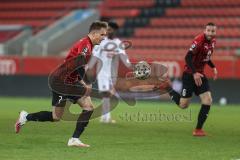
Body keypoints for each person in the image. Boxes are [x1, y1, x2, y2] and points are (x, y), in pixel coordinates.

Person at [15, 21, 108, 147]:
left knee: (88, 107)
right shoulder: (85, 44)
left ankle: (74, 139)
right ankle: (26, 117)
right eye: (102, 35)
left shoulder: (89, 45)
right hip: (60, 82)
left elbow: (76, 65)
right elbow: (79, 62)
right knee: (56, 117)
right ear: (94, 33)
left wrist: (81, 81)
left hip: (70, 81)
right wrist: (86, 82)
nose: (104, 38)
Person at [167, 22, 218, 136]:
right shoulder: (198, 41)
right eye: (208, 30)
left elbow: (206, 57)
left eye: (213, 31)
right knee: (183, 105)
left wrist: (213, 67)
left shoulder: (213, 42)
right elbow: (187, 57)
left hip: (200, 75)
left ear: (215, 32)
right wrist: (194, 73)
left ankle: (198, 130)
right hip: (190, 75)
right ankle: (167, 88)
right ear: (205, 31)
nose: (210, 33)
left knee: (208, 100)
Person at [91, 21, 132, 123]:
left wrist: (130, 65)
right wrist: (89, 66)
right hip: (102, 72)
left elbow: (123, 56)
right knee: (105, 94)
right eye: (107, 29)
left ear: (115, 30)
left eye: (109, 29)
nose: (107, 31)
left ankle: (106, 117)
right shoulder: (101, 41)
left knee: (108, 95)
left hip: (112, 74)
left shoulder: (118, 43)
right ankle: (105, 118)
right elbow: (95, 55)